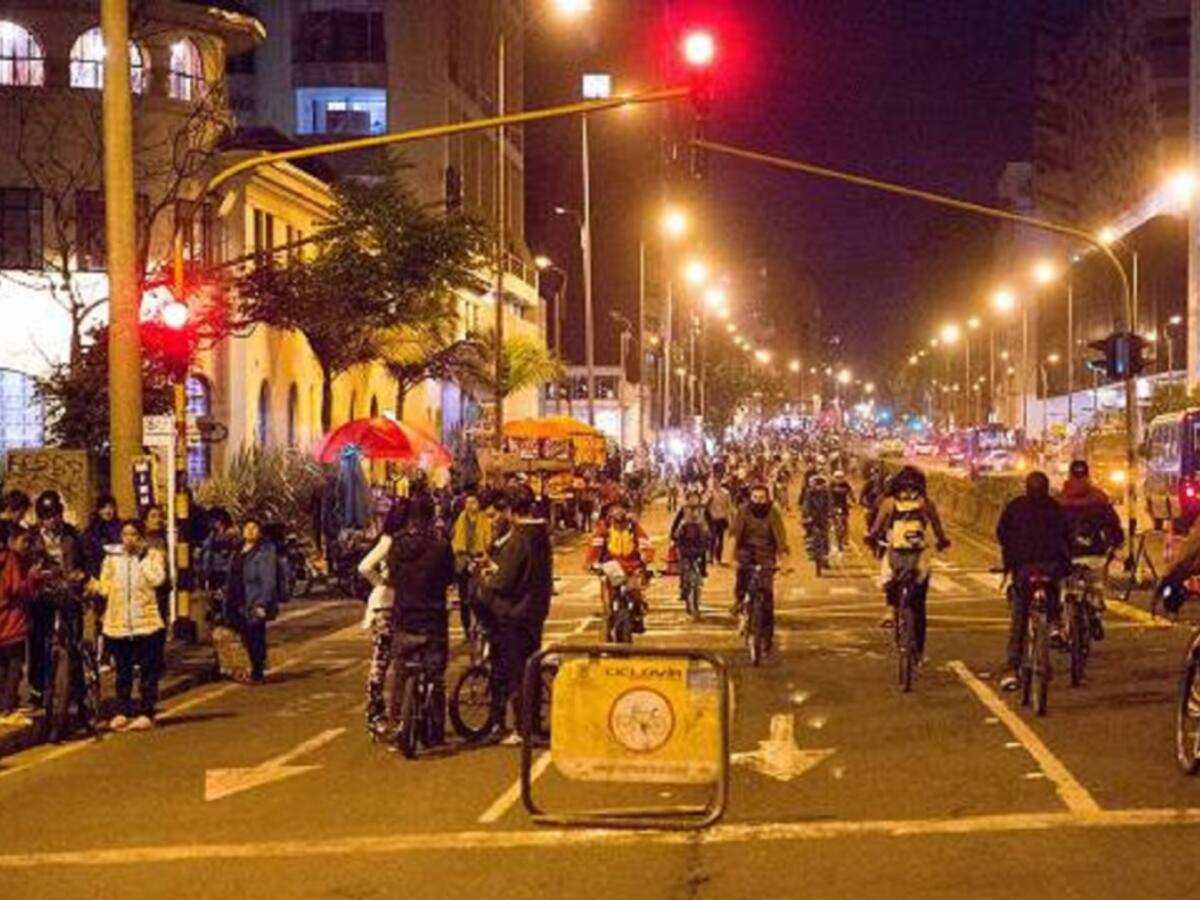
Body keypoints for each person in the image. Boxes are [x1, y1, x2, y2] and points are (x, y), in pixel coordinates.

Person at [479, 484, 553, 744]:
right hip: (535, 610)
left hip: (515, 614)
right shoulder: (541, 534)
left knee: (518, 672)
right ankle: (530, 723)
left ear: (510, 510)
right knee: (530, 667)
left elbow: (504, 581)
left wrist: (489, 577)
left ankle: (523, 729)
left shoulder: (521, 538)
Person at [387, 493, 455, 749]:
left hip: (404, 615)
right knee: (435, 675)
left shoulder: (398, 544)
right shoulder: (440, 545)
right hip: (432, 616)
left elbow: (392, 576)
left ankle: (397, 724)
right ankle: (434, 732)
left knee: (401, 672)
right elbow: (450, 576)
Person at [995, 471, 1072, 692]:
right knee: (1053, 591)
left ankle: (1012, 667)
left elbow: (1002, 534)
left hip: (1024, 569)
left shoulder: (1015, 507)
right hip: (1051, 567)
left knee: (1019, 617)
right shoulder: (1056, 508)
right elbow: (1066, 536)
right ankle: (1056, 624)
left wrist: (1011, 557)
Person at [867, 465, 950, 661]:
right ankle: (919, 652)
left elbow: (876, 528)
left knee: (888, 576)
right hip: (919, 555)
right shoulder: (925, 503)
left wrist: (871, 539)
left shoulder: (889, 503)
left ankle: (891, 609)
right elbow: (938, 529)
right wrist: (942, 542)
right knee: (919, 605)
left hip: (895, 552)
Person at [97, 519, 168, 731]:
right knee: (123, 670)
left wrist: (142, 558)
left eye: (134, 535)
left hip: (146, 622)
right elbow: (105, 587)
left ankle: (147, 711)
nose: (130, 539)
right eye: (126, 534)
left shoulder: (152, 556)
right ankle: (122, 710)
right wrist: (93, 586)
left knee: (148, 670)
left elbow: (158, 580)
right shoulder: (111, 558)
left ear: (141, 537)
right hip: (118, 623)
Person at [27, 491, 84, 709]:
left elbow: (85, 560)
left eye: (54, 515)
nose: (51, 521)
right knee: (39, 641)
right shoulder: (31, 537)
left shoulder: (73, 535)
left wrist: (81, 575)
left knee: (73, 642)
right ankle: (37, 690)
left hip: (69, 592)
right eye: (46, 516)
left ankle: (76, 690)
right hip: (42, 596)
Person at [358, 499, 406, 740]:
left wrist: (382, 582)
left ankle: (378, 715)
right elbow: (364, 567)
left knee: (383, 661)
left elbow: (366, 567)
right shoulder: (393, 541)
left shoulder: (393, 541)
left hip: (389, 605)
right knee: (385, 661)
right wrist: (384, 582)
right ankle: (377, 715)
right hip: (389, 606)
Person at [224, 517, 285, 683]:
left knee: (255, 635)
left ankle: (257, 670)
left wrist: (262, 603)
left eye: (254, 527)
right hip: (236, 598)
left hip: (253, 599)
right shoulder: (237, 550)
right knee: (240, 634)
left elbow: (269, 580)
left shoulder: (265, 552)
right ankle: (243, 667)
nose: (250, 530)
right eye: (247, 527)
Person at [729, 484, 789, 649]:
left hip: (766, 553)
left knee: (767, 596)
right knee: (742, 575)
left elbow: (781, 539)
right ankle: (740, 603)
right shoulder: (743, 511)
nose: (758, 501)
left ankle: (767, 635)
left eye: (761, 498)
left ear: (767, 498)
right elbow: (734, 535)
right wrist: (731, 557)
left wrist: (783, 563)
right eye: (755, 498)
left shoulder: (773, 512)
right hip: (746, 551)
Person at [584, 495, 655, 632]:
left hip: (632, 567)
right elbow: (594, 547)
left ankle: (638, 616)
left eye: (620, 508)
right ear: (608, 512)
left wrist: (646, 558)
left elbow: (645, 544)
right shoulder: (604, 529)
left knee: (636, 596)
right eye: (614, 509)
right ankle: (609, 620)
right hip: (611, 569)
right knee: (608, 603)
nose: (618, 512)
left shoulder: (633, 528)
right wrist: (591, 563)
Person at [0, 524, 38, 725]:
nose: (27, 545)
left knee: (3, 667)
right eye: (24, 541)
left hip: (3, 622)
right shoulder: (12, 560)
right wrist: (32, 578)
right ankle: (7, 709)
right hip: (12, 622)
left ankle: (4, 707)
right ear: (10, 541)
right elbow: (16, 588)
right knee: (15, 666)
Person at [450, 492, 493, 637]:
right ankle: (466, 627)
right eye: (468, 502)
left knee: (479, 596)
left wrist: (483, 555)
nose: (471, 505)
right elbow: (456, 542)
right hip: (464, 560)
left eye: (473, 502)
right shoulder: (461, 519)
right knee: (464, 598)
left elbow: (489, 540)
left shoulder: (484, 519)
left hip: (480, 559)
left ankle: (480, 624)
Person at [670, 488, 712, 608]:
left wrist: (710, 536)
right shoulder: (684, 509)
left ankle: (701, 573)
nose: (694, 500)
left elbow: (710, 523)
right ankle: (683, 587)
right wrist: (673, 536)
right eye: (691, 498)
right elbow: (676, 523)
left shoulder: (704, 509)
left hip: (700, 541)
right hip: (685, 541)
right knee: (684, 566)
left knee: (701, 559)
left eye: (696, 497)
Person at [81, 494, 122, 580]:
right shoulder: (92, 531)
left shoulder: (121, 527)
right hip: (100, 572)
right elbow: (88, 555)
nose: (108, 511)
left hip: (119, 571)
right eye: (103, 508)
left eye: (111, 507)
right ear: (98, 510)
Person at [707, 479, 733, 566]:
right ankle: (711, 557)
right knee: (713, 538)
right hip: (713, 519)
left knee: (719, 539)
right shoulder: (710, 493)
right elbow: (705, 505)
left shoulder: (726, 493)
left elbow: (729, 507)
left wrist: (729, 519)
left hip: (721, 519)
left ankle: (717, 558)